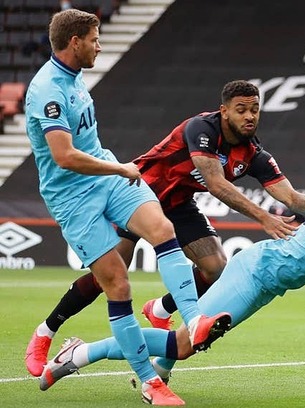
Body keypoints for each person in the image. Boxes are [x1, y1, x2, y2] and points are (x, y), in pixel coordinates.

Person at [25, 80, 305, 378]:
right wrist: (263, 217)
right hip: (138, 195)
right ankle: (45, 332)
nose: (250, 116)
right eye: (241, 110)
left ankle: (161, 308)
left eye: (254, 109)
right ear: (224, 111)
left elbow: (290, 196)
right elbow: (216, 184)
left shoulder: (253, 153)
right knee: (107, 278)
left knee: (216, 267)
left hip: (179, 205)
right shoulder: (202, 129)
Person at [38, 168, 305, 392]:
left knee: (186, 344)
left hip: (265, 282)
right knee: (185, 344)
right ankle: (79, 353)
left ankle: (158, 370)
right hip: (254, 273)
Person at [23, 9, 229, 405]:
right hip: (72, 197)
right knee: (116, 284)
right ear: (74, 42)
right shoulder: (47, 89)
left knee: (163, 230)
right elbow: (64, 156)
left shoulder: (74, 75)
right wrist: (119, 167)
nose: (99, 46)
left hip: (107, 177)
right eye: (94, 39)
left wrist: (114, 170)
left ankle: (194, 320)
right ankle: (150, 383)